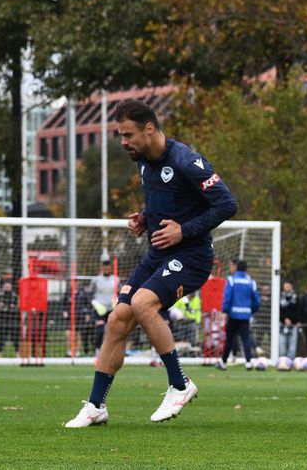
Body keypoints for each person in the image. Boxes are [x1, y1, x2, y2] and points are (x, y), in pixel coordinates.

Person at [64, 98, 237, 428]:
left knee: (143, 304)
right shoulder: (143, 161)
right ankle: (96, 406)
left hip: (192, 257)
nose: (124, 142)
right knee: (119, 318)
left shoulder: (188, 161)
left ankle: (180, 384)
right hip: (157, 255)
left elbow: (228, 204)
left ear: (149, 129)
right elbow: (173, 201)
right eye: (120, 136)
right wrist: (146, 218)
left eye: (127, 135)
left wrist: (183, 231)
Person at [217, 260, 260, 370]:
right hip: (246, 315)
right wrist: (251, 311)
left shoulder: (231, 280)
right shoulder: (251, 282)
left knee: (230, 339)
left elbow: (227, 297)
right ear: (246, 269)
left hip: (233, 314)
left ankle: (224, 362)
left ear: (236, 268)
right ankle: (249, 362)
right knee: (245, 338)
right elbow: (257, 301)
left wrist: (225, 311)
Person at [90, 260, 118, 357]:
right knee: (100, 331)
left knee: (113, 332)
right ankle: (97, 354)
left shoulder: (116, 279)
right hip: (100, 309)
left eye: (108, 268)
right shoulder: (96, 280)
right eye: (105, 268)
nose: (106, 270)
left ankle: (111, 353)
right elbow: (90, 294)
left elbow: (120, 292)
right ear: (102, 268)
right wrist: (95, 303)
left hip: (112, 309)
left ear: (111, 269)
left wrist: (117, 300)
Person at [0, 281, 20, 358]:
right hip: (3, 320)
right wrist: (9, 307)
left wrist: (7, 307)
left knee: (15, 337)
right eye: (6, 287)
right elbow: (0, 307)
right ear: (3, 287)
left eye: (9, 287)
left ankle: (17, 353)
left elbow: (16, 308)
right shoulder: (0, 296)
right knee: (2, 337)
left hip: (13, 320)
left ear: (11, 288)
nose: (7, 288)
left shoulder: (15, 296)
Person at [279, 281, 299, 360]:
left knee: (292, 345)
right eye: (285, 285)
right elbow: (278, 311)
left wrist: (293, 321)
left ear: (291, 286)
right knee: (282, 344)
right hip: (282, 325)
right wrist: (284, 320)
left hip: (293, 325)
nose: (286, 287)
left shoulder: (296, 298)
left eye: (288, 285)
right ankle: (282, 361)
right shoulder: (279, 297)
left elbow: (298, 311)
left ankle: (291, 362)